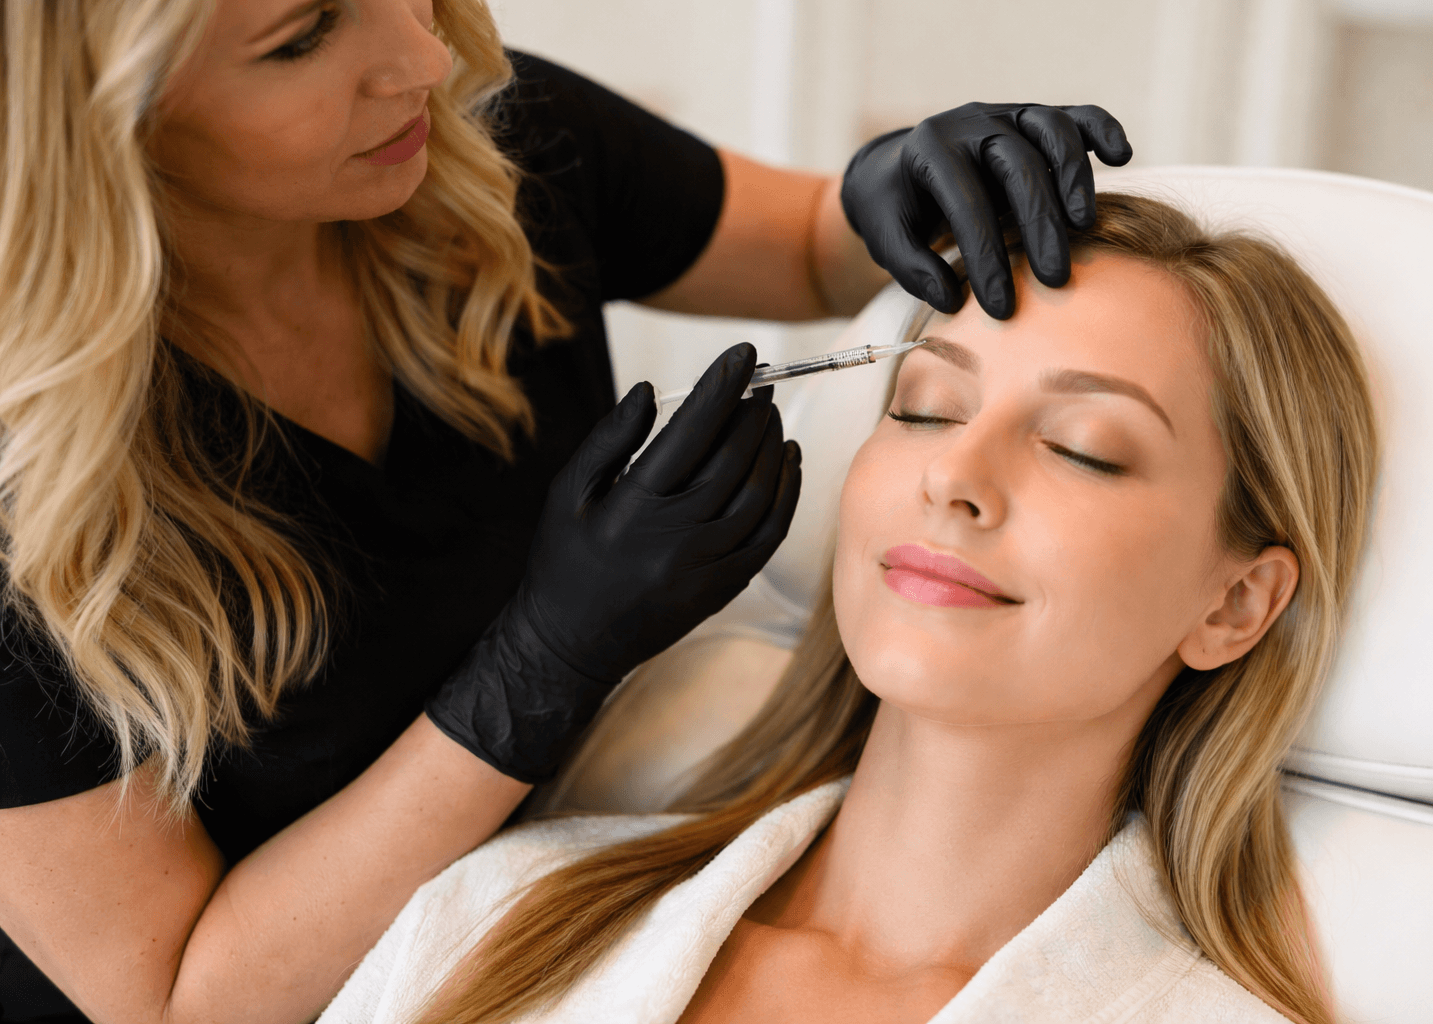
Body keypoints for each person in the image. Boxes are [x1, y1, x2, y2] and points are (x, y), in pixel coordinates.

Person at [0, 1, 1133, 1021]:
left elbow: (803, 251)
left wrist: (888, 188)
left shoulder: (500, 139)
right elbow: (179, 999)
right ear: (98, 115)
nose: (423, 57)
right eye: (303, 38)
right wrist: (543, 663)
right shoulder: (23, 477)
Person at [313, 193, 1380, 1024]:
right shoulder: (497, 916)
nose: (953, 474)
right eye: (925, 408)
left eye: (1081, 446)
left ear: (1236, 604)